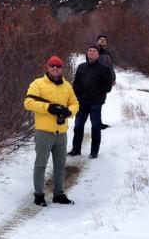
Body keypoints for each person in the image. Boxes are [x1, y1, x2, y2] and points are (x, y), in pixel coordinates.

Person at [24, 55, 79, 206]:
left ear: (62, 69)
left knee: (60, 165)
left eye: (58, 66)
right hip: (43, 132)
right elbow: (28, 102)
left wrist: (69, 112)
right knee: (41, 164)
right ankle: (39, 195)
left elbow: (75, 103)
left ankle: (59, 194)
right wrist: (48, 107)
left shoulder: (67, 86)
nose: (55, 68)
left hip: (61, 132)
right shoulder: (38, 83)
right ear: (47, 67)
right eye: (52, 65)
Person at [69, 44, 114, 158]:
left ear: (98, 54)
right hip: (82, 102)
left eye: (94, 51)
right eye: (89, 50)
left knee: (95, 126)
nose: (91, 52)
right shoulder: (81, 67)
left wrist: (99, 94)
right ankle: (76, 149)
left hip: (96, 103)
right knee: (78, 125)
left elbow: (108, 86)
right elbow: (76, 83)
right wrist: (78, 93)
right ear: (86, 53)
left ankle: (94, 152)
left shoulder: (104, 68)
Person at [95, 34, 116, 129]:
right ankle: (96, 123)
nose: (102, 41)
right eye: (100, 39)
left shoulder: (108, 53)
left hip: (106, 81)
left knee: (101, 102)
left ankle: (99, 122)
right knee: (95, 102)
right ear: (97, 41)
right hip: (96, 80)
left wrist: (113, 78)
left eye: (104, 40)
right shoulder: (94, 51)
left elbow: (110, 67)